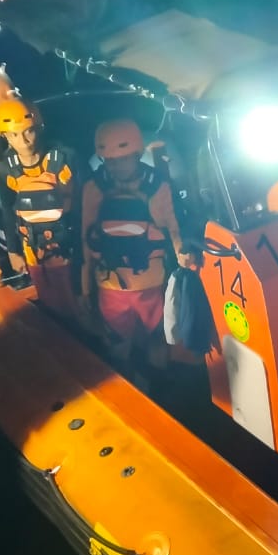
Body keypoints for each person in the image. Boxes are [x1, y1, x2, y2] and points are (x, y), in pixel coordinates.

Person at [80, 119, 188, 393]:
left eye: (122, 160)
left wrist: (183, 256)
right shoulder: (95, 188)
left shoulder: (157, 185)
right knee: (117, 344)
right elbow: (85, 237)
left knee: (157, 338)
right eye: (109, 161)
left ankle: (158, 389)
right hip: (111, 287)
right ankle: (125, 392)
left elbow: (173, 227)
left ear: (138, 154)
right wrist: (84, 286)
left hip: (152, 285)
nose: (115, 167)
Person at [0, 98, 84, 323]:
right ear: (5, 137)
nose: (23, 141)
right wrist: (13, 251)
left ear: (38, 128)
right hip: (33, 246)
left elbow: (85, 198)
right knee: (47, 298)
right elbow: (8, 209)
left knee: (76, 299)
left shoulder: (65, 158)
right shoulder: (6, 169)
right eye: (14, 135)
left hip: (69, 243)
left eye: (28, 132)